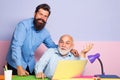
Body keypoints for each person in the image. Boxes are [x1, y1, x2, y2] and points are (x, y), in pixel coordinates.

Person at [6, 3, 79, 76]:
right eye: (40, 14)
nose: (42, 18)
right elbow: (16, 46)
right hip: (15, 65)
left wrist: (68, 49)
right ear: (35, 14)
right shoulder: (23, 26)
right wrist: (19, 67)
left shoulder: (45, 33)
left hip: (30, 65)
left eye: (45, 16)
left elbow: (53, 46)